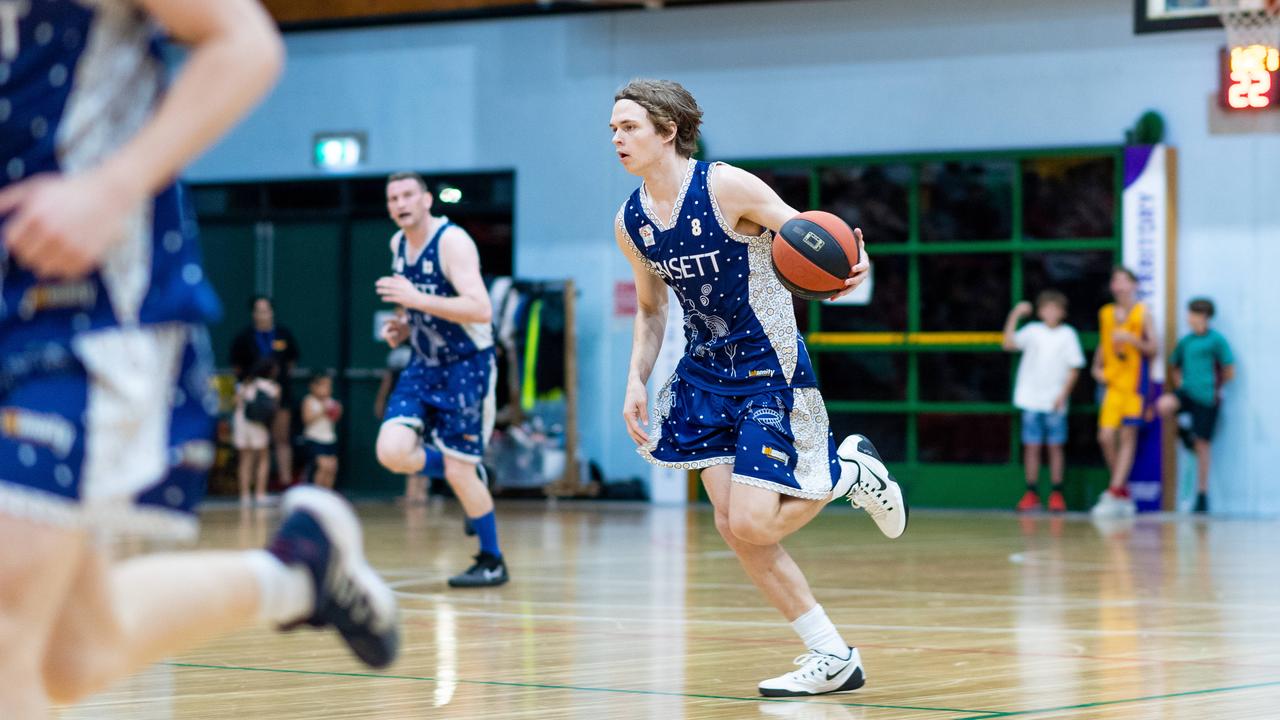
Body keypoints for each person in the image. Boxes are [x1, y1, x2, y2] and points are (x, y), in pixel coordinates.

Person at [0, 2, 397, 713]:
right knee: (76, 654)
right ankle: (301, 571)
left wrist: (111, 188)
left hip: (75, 305)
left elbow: (245, 43)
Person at [610, 79, 908, 698]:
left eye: (629, 126)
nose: (617, 138)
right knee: (733, 527)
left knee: (753, 521)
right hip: (702, 376)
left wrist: (853, 259)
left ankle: (850, 473)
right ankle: (833, 656)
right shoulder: (631, 221)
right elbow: (651, 309)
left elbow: (811, 238)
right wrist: (636, 378)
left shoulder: (725, 187)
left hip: (766, 369)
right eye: (612, 128)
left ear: (668, 130)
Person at [374, 172, 507, 588]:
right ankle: (463, 469)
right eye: (393, 197)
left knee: (458, 471)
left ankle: (491, 560)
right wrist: (403, 327)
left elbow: (480, 308)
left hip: (466, 365)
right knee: (392, 451)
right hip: (423, 362)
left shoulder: (453, 242)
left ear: (427, 200)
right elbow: (419, 310)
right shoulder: (398, 244)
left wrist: (415, 300)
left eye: (409, 194)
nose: (401, 203)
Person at [1002, 291, 1085, 512]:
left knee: (1055, 447)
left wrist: (1063, 395)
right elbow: (1008, 343)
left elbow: (1074, 367)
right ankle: (1031, 492)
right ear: (1040, 311)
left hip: (1054, 402)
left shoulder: (1068, 335)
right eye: (1047, 308)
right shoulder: (1032, 331)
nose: (1051, 312)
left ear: (1063, 312)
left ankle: (1057, 493)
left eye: (1055, 308)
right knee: (1032, 447)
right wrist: (1016, 313)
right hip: (1031, 400)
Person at [1156, 298, 1235, 513]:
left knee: (1203, 445)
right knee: (1164, 405)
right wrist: (1181, 383)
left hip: (1208, 397)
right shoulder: (1186, 341)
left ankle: (1202, 494)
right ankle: (1184, 433)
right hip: (1187, 393)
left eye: (1192, 314)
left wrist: (1215, 386)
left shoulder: (1216, 341)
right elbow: (1174, 365)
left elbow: (1229, 369)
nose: (1188, 318)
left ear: (1204, 317)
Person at [1091, 267, 1158, 518]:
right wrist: (1096, 367)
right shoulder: (1106, 313)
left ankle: (1116, 488)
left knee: (1128, 437)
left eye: (1123, 280)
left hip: (1134, 385)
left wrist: (1132, 340)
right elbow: (1103, 343)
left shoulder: (1143, 313)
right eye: (1115, 279)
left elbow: (1154, 347)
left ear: (1133, 285)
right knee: (1105, 437)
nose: (1118, 284)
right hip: (1112, 384)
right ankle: (1119, 488)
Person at [230, 296, 301, 489]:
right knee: (253, 446)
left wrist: (277, 382)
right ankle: (251, 487)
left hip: (280, 393)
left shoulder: (283, 334)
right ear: (253, 313)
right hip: (252, 397)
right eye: (259, 310)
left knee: (281, 438)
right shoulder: (244, 337)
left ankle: (285, 483)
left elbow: (291, 361)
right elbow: (237, 367)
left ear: (272, 312)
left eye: (267, 310)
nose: (263, 314)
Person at [234, 358, 282, 505]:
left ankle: (245, 496)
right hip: (258, 425)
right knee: (263, 458)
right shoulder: (273, 387)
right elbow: (274, 409)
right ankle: (260, 494)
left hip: (242, 422)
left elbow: (235, 402)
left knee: (245, 459)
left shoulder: (245, 384)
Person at [301, 372, 342, 491]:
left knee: (332, 467)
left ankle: (327, 493)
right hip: (314, 438)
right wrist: (322, 410)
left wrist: (337, 411)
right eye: (324, 385)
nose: (328, 389)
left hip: (329, 438)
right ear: (313, 386)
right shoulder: (308, 400)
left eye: (329, 386)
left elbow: (335, 419)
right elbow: (307, 419)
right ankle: (317, 493)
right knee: (323, 466)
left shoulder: (331, 401)